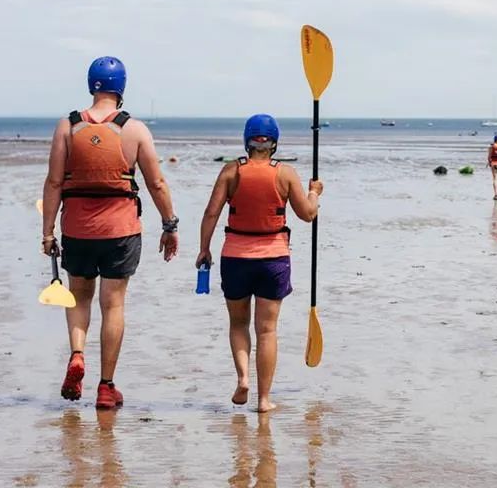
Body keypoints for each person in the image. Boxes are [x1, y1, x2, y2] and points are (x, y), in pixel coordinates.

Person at [41, 56, 178, 410]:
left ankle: (76, 355)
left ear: (91, 85)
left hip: (77, 229)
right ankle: (106, 387)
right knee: (113, 303)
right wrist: (169, 224)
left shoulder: (67, 127)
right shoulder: (134, 129)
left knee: (80, 296)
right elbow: (156, 183)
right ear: (122, 88)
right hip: (121, 230)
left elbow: (55, 181)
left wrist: (47, 233)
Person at [196, 114, 322, 413]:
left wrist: (204, 249)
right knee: (266, 330)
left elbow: (211, 213)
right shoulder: (286, 174)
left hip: (236, 258)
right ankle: (264, 400)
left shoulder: (231, 172)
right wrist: (314, 193)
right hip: (273, 259)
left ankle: (243, 378)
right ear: (274, 143)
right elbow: (307, 214)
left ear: (247, 141)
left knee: (238, 324)